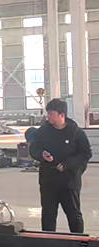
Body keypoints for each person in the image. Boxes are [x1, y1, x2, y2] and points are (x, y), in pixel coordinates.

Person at [28, 98, 92, 233]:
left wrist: (67, 165)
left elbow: (85, 154)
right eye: (48, 113)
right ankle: (49, 241)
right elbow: (33, 149)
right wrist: (41, 155)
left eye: (51, 114)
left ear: (61, 115)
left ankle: (78, 241)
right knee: (48, 215)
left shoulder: (75, 132)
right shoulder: (43, 131)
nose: (48, 117)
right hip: (48, 181)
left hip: (69, 181)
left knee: (74, 214)